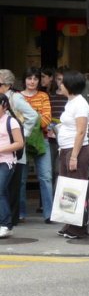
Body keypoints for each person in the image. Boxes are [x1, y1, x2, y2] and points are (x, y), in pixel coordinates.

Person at [56, 69, 89, 239]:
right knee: (67, 189)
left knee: (77, 189)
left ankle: (79, 228)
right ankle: (69, 224)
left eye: (62, 82)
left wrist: (73, 156)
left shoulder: (80, 104)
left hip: (76, 150)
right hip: (66, 148)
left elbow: (81, 131)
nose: (60, 84)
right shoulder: (71, 102)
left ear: (70, 85)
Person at [0, 69, 38, 226]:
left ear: (8, 85)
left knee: (13, 186)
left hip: (14, 151)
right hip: (4, 150)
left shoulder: (15, 98)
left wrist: (23, 135)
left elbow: (33, 115)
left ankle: (11, 220)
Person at [20, 67, 54, 223]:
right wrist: (36, 116)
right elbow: (15, 120)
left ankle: (49, 214)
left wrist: (28, 119)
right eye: (29, 78)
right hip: (22, 141)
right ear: (24, 80)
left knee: (46, 177)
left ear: (39, 81)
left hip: (42, 139)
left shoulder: (43, 96)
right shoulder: (17, 97)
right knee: (21, 179)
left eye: (35, 78)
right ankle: (20, 213)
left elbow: (47, 120)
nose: (32, 81)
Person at [0, 93, 24, 238]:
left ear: (4, 106)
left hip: (7, 161)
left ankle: (6, 225)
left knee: (0, 190)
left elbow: (19, 143)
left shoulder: (11, 122)